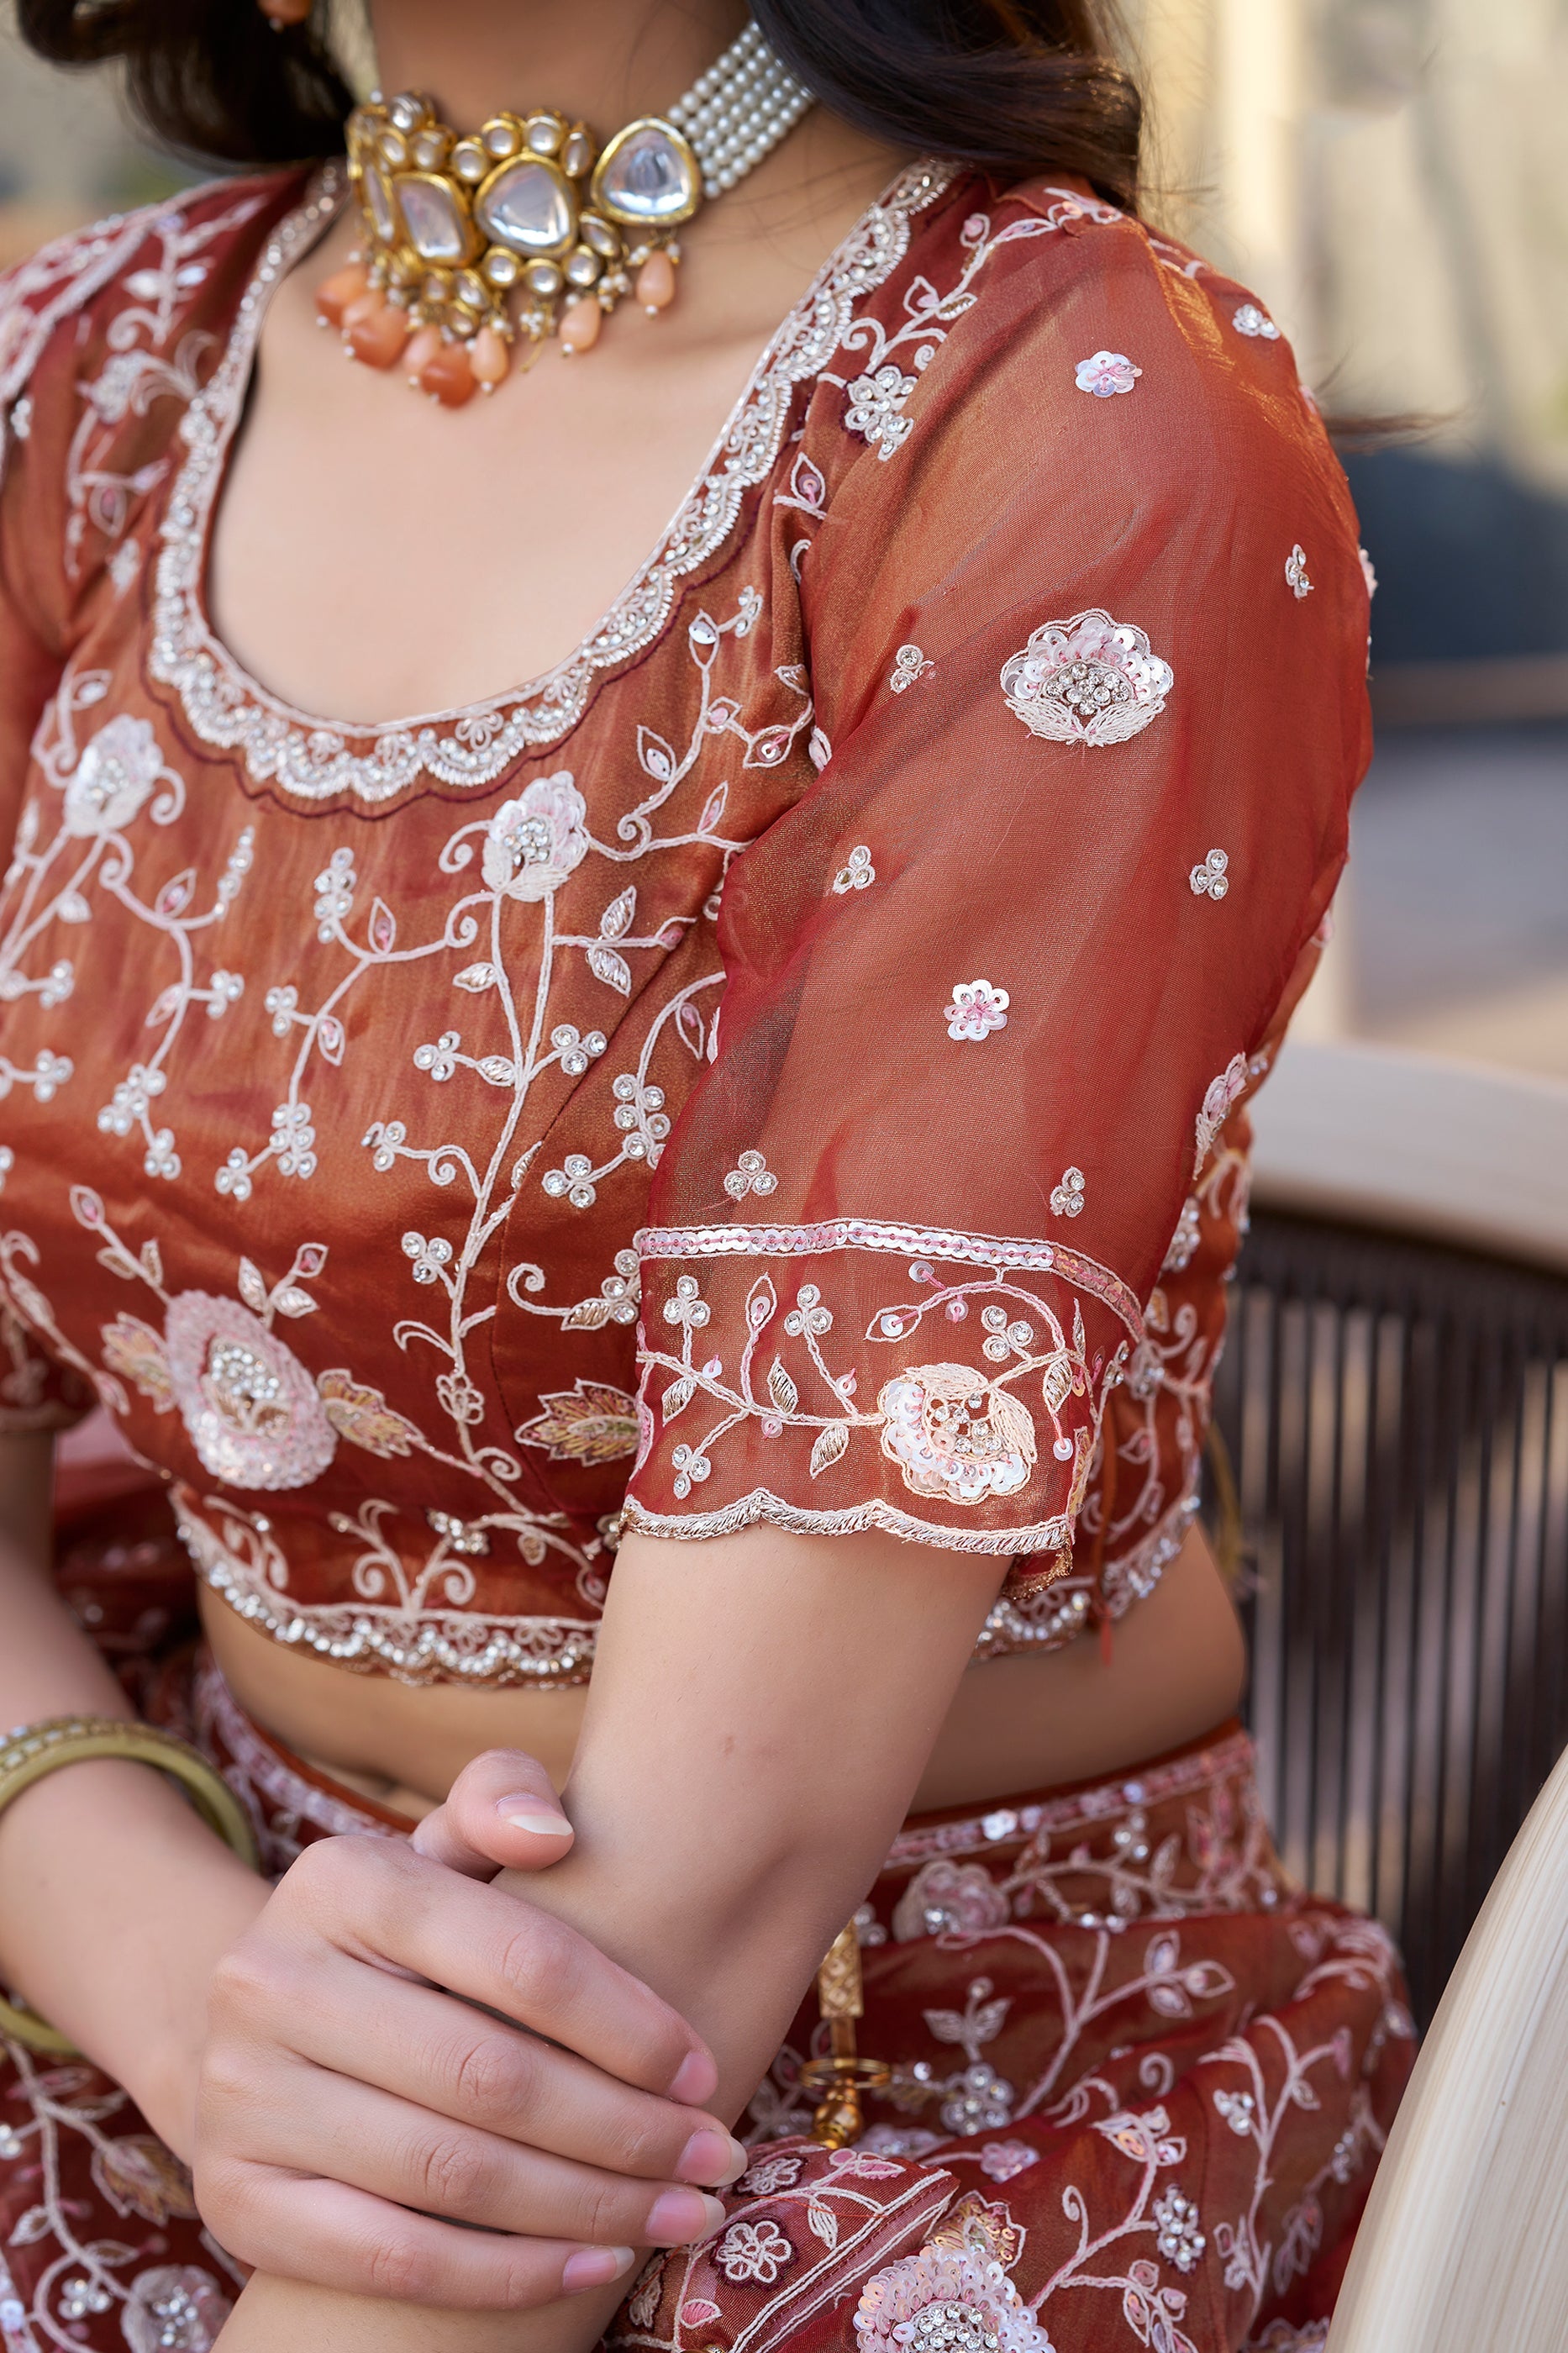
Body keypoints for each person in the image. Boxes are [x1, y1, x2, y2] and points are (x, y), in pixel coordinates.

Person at [0, 1, 1412, 2345]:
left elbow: (677, 1923)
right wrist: (169, 1979)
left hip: (868, 2090)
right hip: (178, 1931)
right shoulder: (83, 372)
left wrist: (322, 2148)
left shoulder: (1055, 412)